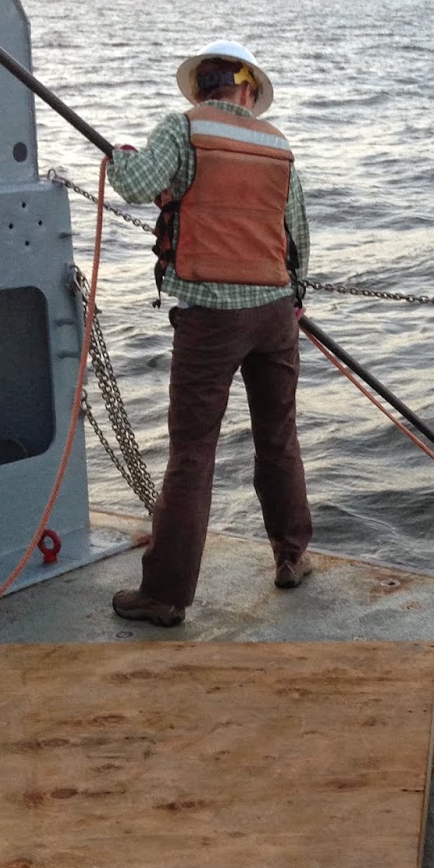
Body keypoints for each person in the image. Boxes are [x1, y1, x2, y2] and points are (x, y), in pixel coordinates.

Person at [108, 40, 313, 627]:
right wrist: (295, 302)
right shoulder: (278, 144)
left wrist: (120, 157)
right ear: (247, 89)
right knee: (279, 437)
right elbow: (298, 235)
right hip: (275, 313)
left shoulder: (184, 128)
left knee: (193, 454)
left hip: (210, 318)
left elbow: (137, 184)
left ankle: (166, 595)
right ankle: (291, 556)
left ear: (202, 86)